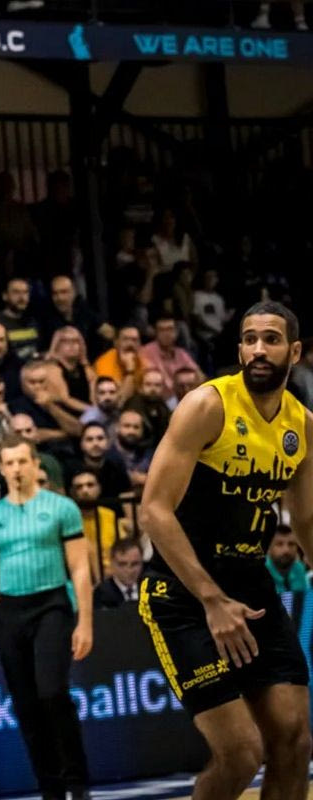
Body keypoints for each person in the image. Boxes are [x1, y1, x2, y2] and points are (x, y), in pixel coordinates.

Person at [139, 301, 313, 800]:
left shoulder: (302, 425)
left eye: (271, 339)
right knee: (241, 753)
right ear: (239, 349)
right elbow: (153, 511)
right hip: (181, 591)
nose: (258, 349)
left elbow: (305, 519)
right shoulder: (207, 405)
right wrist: (212, 600)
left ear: (294, 352)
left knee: (294, 741)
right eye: (249, 339)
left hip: (250, 585)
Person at [0, 435, 93, 800]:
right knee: (26, 705)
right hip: (10, 610)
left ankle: (77, 781)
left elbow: (80, 568)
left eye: (22, 461)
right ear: (2, 469)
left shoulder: (62, 508)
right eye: (9, 463)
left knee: (53, 692)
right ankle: (50, 788)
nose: (16, 469)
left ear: (35, 465)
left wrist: (85, 621)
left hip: (52, 604)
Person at [69, 469, 121, 579]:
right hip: (82, 575)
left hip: (114, 573)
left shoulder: (110, 515)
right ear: (72, 493)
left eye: (90, 485)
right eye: (79, 487)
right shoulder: (69, 519)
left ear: (99, 489)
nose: (85, 490)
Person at [141, 313, 204, 402]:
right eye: (162, 330)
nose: (166, 334)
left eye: (170, 329)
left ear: (176, 332)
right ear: (156, 333)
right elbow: (156, 382)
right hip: (159, 400)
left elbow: (200, 376)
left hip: (182, 397)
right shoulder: (146, 351)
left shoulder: (181, 353)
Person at [0, 277, 41, 362]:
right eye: (16, 292)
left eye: (25, 292)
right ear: (5, 296)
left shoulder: (34, 320)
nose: (22, 297)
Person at [125, 368, 172, 447]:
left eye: (157, 385)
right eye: (148, 384)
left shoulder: (162, 405)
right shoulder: (134, 404)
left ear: (163, 387)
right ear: (141, 386)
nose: (153, 389)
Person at [93, 538, 144, 609]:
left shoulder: (151, 590)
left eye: (135, 564)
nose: (129, 570)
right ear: (112, 563)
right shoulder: (100, 594)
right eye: (122, 564)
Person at [112, 408, 154, 487]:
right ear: (117, 428)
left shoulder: (149, 455)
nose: (131, 431)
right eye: (127, 426)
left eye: (136, 427)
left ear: (142, 430)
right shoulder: (108, 457)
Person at [265, 524, 309, 593]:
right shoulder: (260, 571)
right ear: (269, 548)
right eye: (279, 544)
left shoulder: (299, 568)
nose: (286, 550)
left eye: (291, 544)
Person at [79, 376, 122, 441]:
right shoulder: (89, 419)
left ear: (118, 395)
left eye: (112, 392)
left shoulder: (118, 413)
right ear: (96, 396)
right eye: (102, 393)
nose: (107, 397)